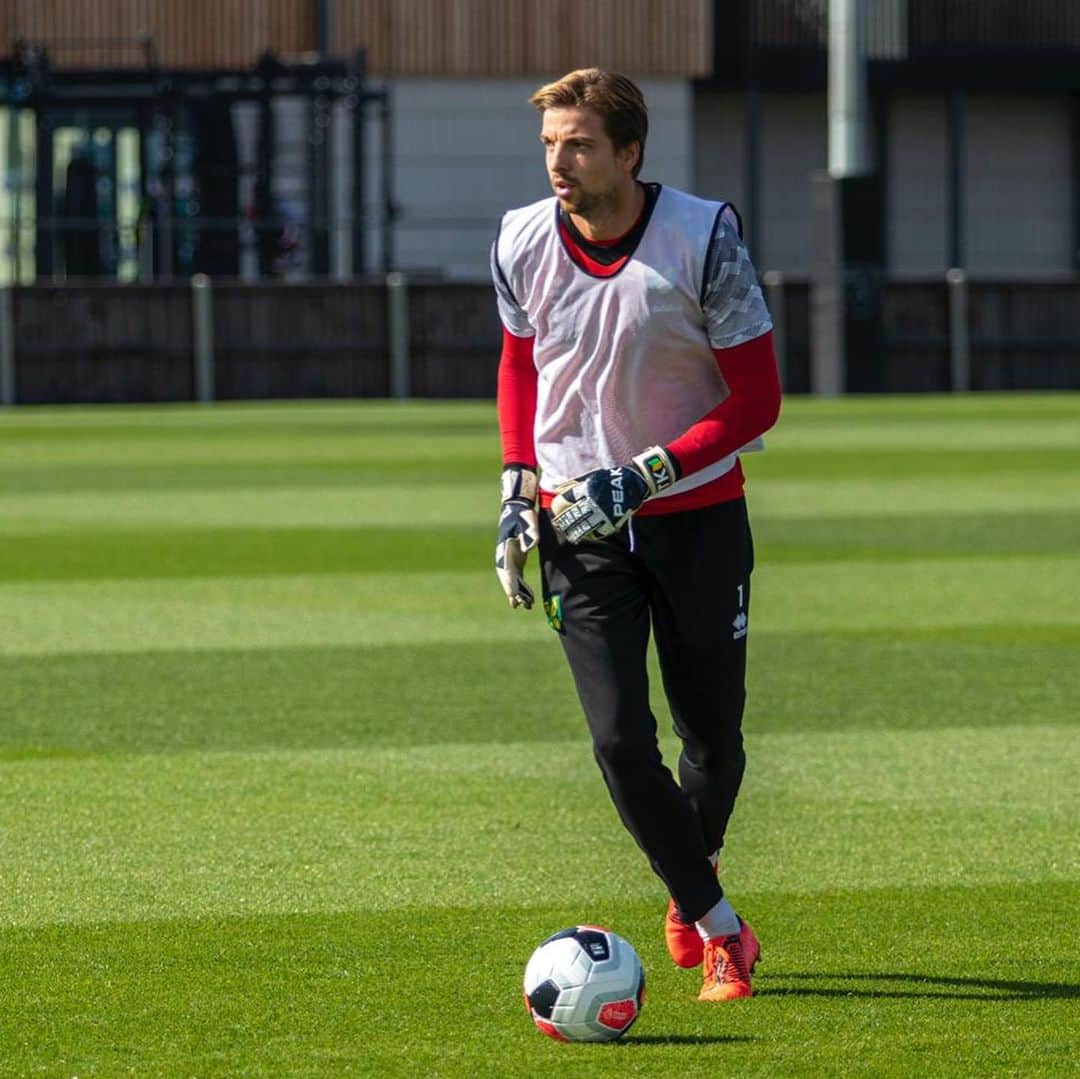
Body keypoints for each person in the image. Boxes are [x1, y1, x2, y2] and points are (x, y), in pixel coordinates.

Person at [492, 68, 781, 1002]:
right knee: (619, 738)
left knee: (716, 750)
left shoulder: (706, 238)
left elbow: (759, 398)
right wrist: (514, 487)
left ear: (629, 151)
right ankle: (718, 923)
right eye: (549, 146)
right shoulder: (521, 238)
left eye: (577, 144)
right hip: (578, 526)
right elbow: (520, 364)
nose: (558, 164)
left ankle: (684, 878)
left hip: (698, 520)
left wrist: (644, 474)